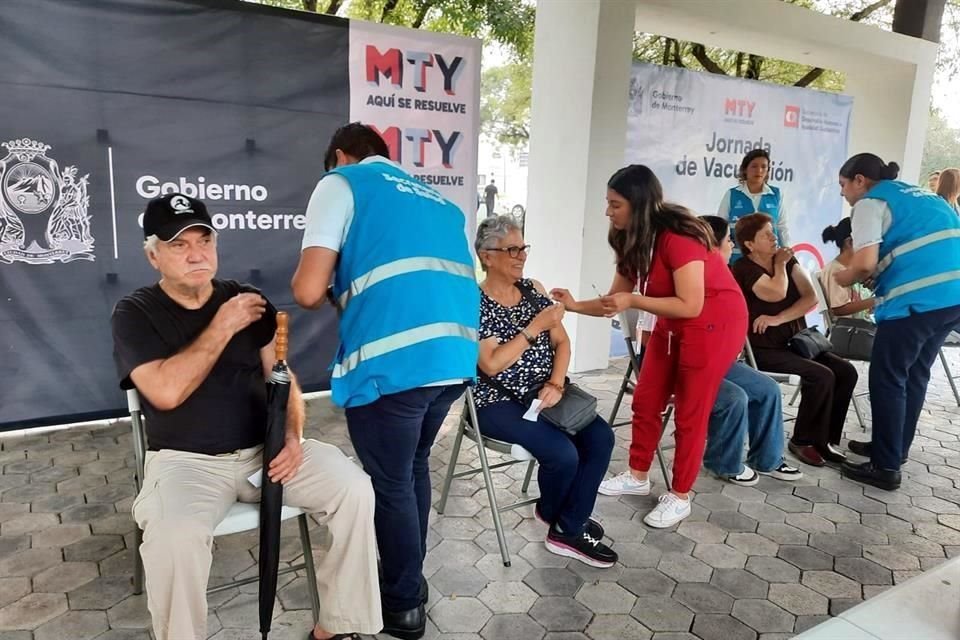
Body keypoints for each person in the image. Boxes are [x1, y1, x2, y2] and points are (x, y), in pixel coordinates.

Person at [112, 193, 380, 640]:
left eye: (204, 240)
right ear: (153, 254)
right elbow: (165, 391)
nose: (196, 254)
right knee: (174, 537)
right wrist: (222, 326)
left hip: (267, 451)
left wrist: (293, 436)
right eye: (179, 245)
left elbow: (282, 378)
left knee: (354, 488)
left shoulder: (244, 298)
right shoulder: (135, 311)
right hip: (187, 462)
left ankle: (337, 626)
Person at [291, 123, 479, 640]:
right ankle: (408, 584)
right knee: (411, 468)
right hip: (453, 359)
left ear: (340, 156)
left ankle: (401, 605)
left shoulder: (342, 182)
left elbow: (308, 290)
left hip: (394, 362)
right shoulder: (441, 203)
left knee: (390, 482)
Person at [552, 165, 748, 528]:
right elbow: (615, 299)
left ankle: (680, 496)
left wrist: (636, 301)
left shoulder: (679, 238)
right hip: (674, 323)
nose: (608, 212)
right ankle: (637, 475)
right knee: (646, 397)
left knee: (691, 412)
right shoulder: (632, 239)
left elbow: (691, 304)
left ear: (638, 204)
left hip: (715, 323)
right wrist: (575, 304)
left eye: (615, 204)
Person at [474, 215, 617, 567]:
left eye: (523, 247)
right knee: (563, 454)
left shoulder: (533, 290)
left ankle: (566, 522)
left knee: (601, 438)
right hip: (498, 401)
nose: (521, 255)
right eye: (511, 249)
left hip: (547, 393)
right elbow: (491, 364)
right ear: (486, 256)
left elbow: (563, 343)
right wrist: (534, 327)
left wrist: (555, 383)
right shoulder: (474, 302)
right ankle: (563, 519)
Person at [834, 154, 960, 491]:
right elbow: (916, 249)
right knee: (915, 373)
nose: (844, 194)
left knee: (887, 377)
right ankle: (893, 449)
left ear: (859, 180)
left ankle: (885, 467)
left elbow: (862, 265)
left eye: (843, 186)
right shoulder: (921, 195)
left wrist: (843, 278)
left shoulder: (869, 203)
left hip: (916, 301)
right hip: (951, 298)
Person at [731, 213, 856, 468]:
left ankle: (825, 440)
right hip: (763, 347)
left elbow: (810, 298)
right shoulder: (744, 268)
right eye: (765, 234)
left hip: (797, 340)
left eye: (772, 231)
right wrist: (780, 265)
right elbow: (775, 292)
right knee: (822, 375)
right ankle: (802, 440)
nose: (773, 236)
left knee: (846, 371)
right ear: (749, 244)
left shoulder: (788, 260)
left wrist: (778, 318)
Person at [699, 215, 803, 485]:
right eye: (727, 241)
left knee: (767, 389)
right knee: (736, 397)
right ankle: (723, 462)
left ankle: (767, 459)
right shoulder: (694, 278)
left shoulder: (723, 274)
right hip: (696, 362)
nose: (731, 245)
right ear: (712, 246)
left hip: (722, 359)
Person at [717, 149, 790, 262]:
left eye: (764, 167)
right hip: (737, 259)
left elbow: (782, 227)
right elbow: (721, 226)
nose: (759, 170)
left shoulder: (776, 195)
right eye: (754, 166)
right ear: (745, 169)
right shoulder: (732, 194)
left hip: (769, 261)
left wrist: (787, 253)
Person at [820, 218, 876, 320]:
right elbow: (838, 309)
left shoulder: (858, 270)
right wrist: (876, 300)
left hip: (863, 329)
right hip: (850, 332)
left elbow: (867, 309)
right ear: (850, 242)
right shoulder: (834, 270)